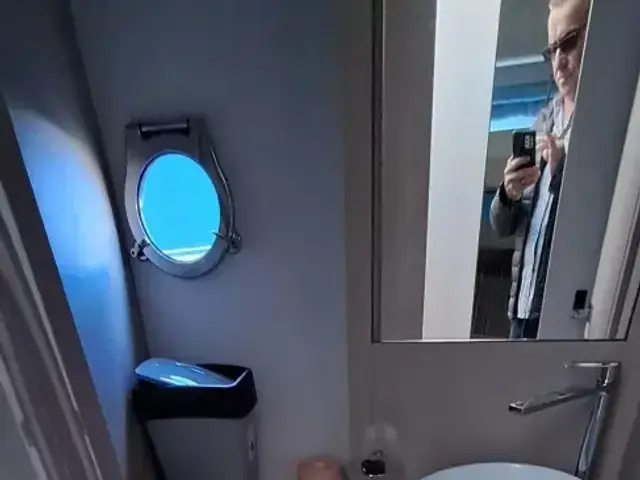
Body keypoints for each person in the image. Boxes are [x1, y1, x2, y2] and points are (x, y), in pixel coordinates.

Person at [490, 0, 589, 339]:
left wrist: (561, 174)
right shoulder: (543, 121)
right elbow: (502, 227)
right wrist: (508, 194)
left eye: (569, 43)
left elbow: (593, 224)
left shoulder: (602, 128)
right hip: (522, 307)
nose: (558, 63)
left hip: (562, 312)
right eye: (551, 50)